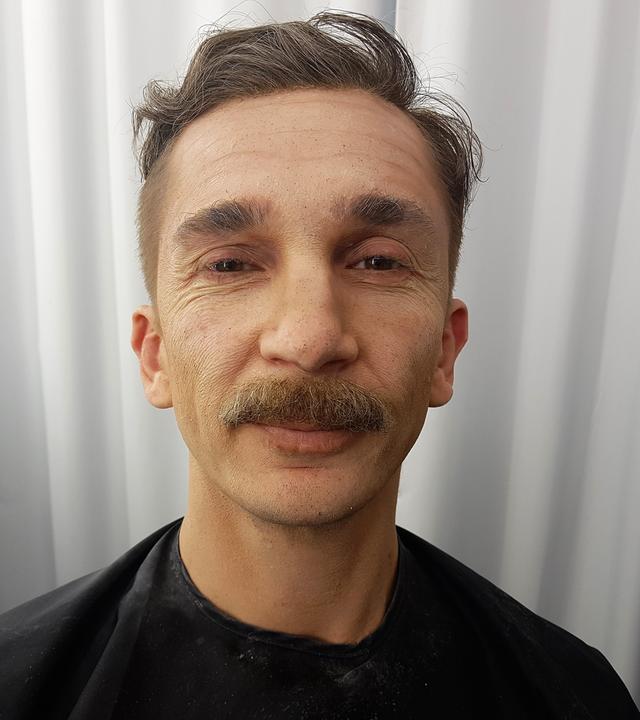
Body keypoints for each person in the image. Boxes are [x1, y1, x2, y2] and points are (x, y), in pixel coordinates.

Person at [1, 10, 638, 719]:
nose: (309, 339)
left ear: (444, 350)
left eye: (377, 261)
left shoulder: (578, 697)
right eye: (231, 264)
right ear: (156, 357)